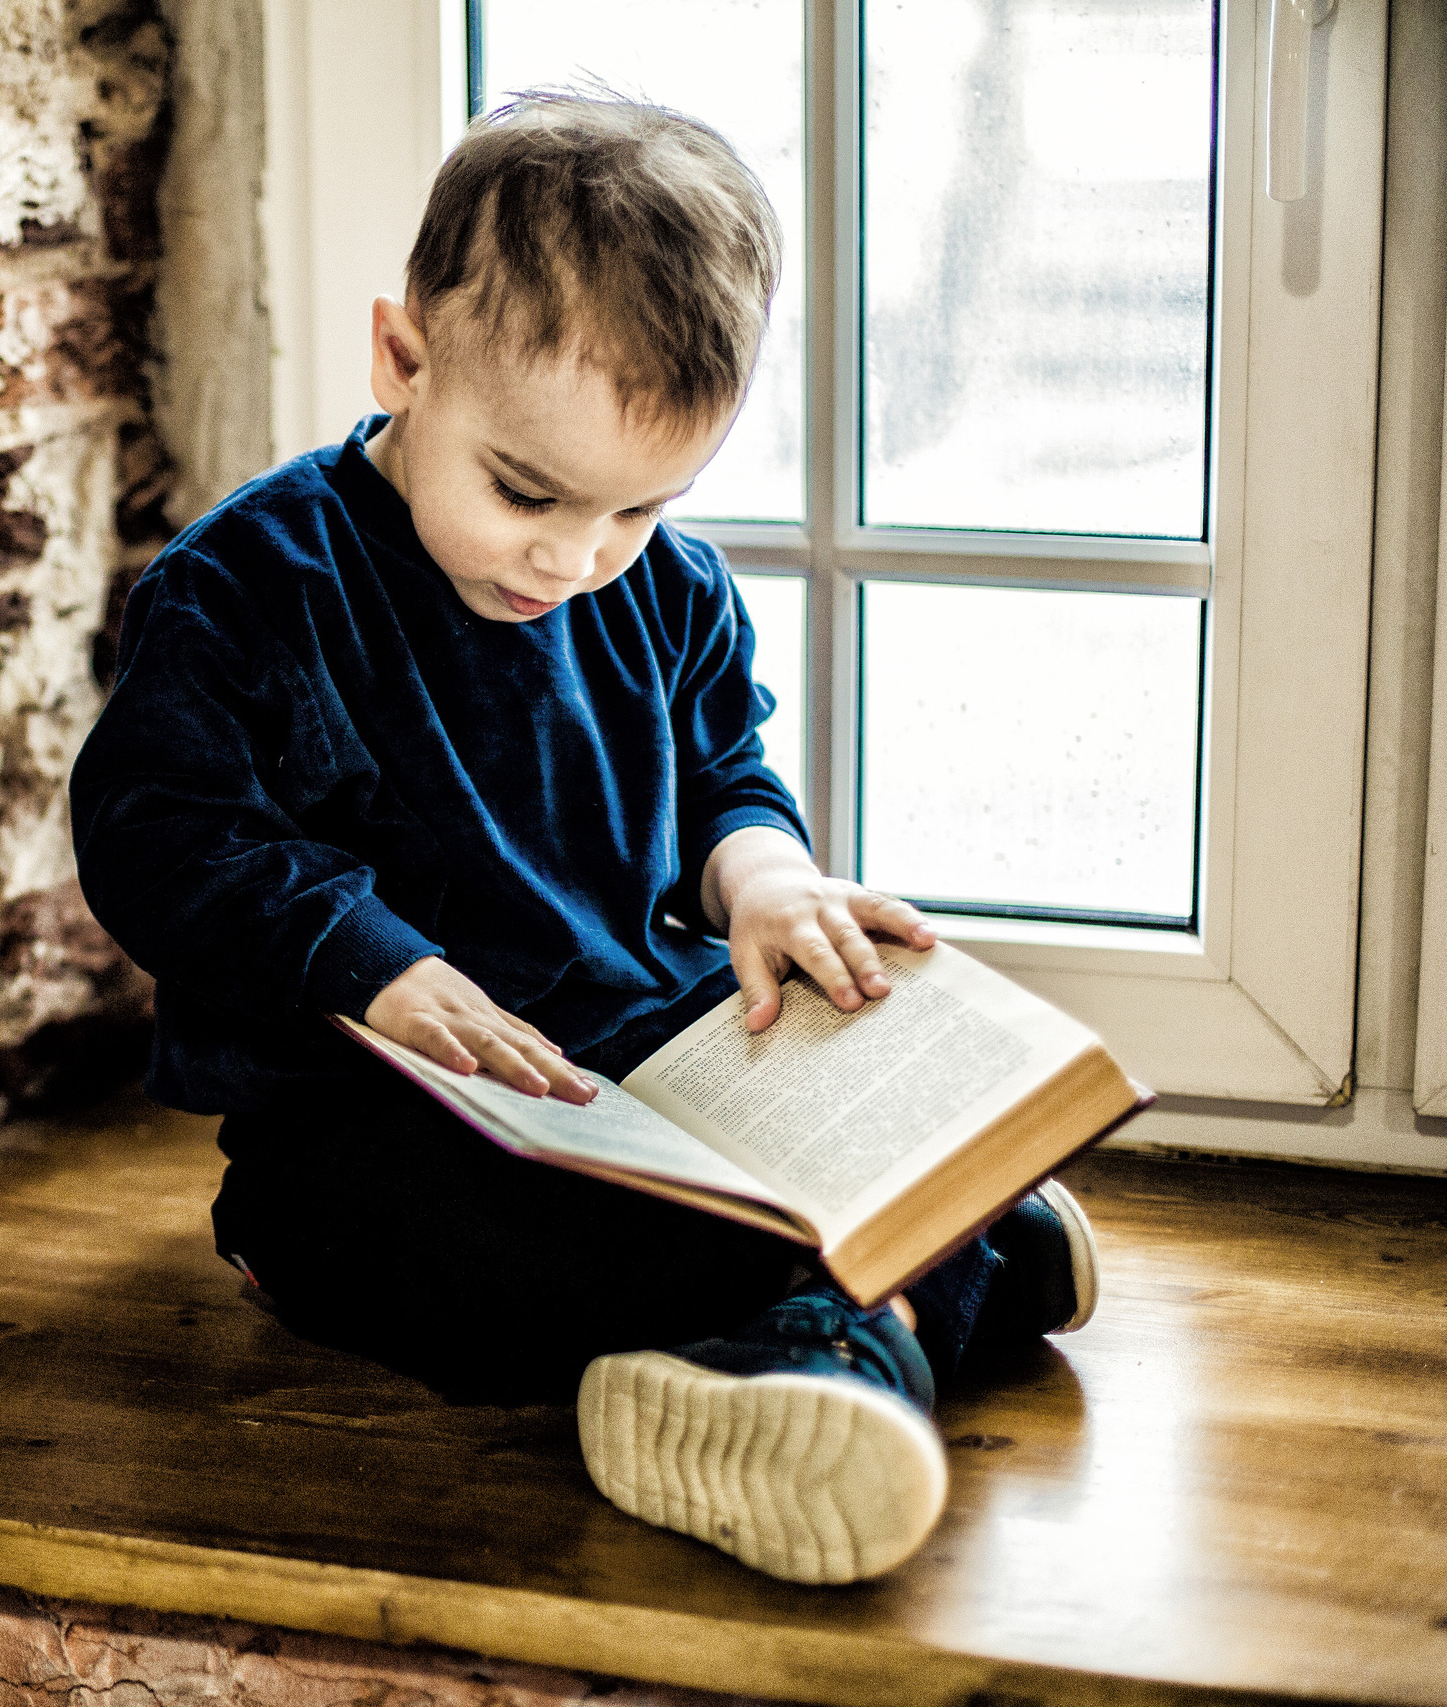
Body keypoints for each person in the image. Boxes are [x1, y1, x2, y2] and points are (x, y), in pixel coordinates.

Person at [68, 92, 1097, 1586]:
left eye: (640, 508)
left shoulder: (660, 583)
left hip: (623, 1055)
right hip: (370, 1119)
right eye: (526, 493)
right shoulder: (251, 588)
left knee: (819, 1070)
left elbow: (721, 769)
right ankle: (893, 1301)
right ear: (402, 360)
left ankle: (868, 1285)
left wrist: (765, 876)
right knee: (483, 1235)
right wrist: (371, 966)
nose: (575, 558)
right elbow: (155, 832)